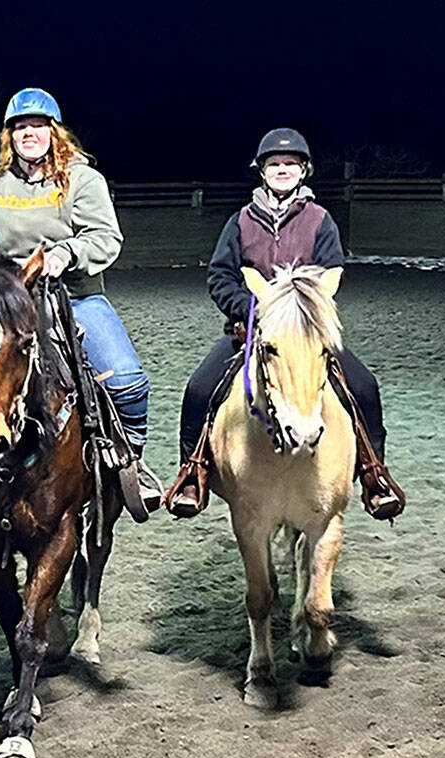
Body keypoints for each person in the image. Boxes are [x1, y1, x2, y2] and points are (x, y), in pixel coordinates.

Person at [0, 87, 160, 517]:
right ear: (9, 136)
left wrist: (65, 255)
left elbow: (106, 238)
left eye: (38, 126)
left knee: (128, 383)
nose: (29, 133)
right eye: (20, 127)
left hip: (70, 296)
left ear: (54, 132)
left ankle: (130, 464)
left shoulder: (82, 180)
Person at [164, 128, 405, 520]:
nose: (282, 170)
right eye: (274, 164)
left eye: (290, 164)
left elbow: (331, 272)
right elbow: (219, 276)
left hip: (307, 336)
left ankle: (374, 473)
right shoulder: (241, 222)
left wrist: (305, 310)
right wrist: (250, 309)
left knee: (363, 386)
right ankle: (193, 472)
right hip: (251, 332)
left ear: (304, 170)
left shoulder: (320, 221)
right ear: (261, 171)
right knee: (198, 389)